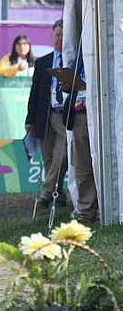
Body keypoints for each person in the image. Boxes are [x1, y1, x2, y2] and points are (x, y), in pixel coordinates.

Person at [25, 20, 68, 209]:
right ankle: (59, 195)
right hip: (45, 116)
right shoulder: (42, 62)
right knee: (49, 158)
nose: (60, 39)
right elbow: (34, 92)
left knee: (62, 157)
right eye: (57, 34)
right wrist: (30, 120)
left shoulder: (73, 60)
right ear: (52, 36)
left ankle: (46, 192)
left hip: (65, 116)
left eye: (64, 35)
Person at [60, 52, 98, 224]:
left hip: (101, 110)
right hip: (79, 114)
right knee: (82, 166)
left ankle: (102, 209)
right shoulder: (81, 54)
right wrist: (68, 84)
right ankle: (86, 211)